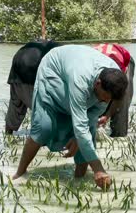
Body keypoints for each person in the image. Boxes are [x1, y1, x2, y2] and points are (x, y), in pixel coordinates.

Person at [12, 44, 128, 189]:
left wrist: (79, 137)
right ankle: (20, 173)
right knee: (44, 127)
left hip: (78, 74)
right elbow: (80, 126)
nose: (105, 102)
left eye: (108, 99)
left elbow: (91, 118)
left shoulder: (114, 81)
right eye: (104, 97)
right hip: (54, 72)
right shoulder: (80, 79)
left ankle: (79, 180)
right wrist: (98, 169)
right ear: (98, 84)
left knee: (88, 134)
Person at [5, 41, 134, 137]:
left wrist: (106, 115)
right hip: (31, 70)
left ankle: (8, 134)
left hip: (23, 64)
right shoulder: (84, 70)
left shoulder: (90, 62)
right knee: (54, 115)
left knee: (19, 104)